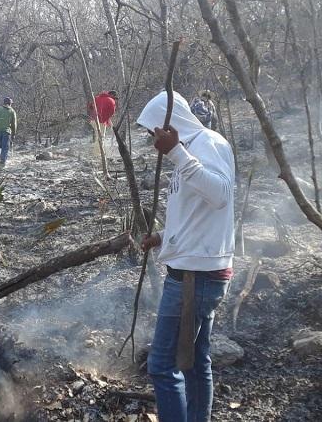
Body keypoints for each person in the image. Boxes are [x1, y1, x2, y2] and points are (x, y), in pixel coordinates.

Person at [137, 90, 234, 422]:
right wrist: (163, 237)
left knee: (162, 365)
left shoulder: (209, 144)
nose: (154, 141)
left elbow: (220, 195)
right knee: (195, 360)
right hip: (194, 270)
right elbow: (198, 214)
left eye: (155, 132)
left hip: (196, 277)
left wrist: (176, 152)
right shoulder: (192, 151)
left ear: (171, 123)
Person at [0, 97, 17, 168]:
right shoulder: (12, 111)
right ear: (9, 103)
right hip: (6, 132)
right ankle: (2, 164)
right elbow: (14, 124)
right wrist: (14, 134)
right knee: (5, 147)